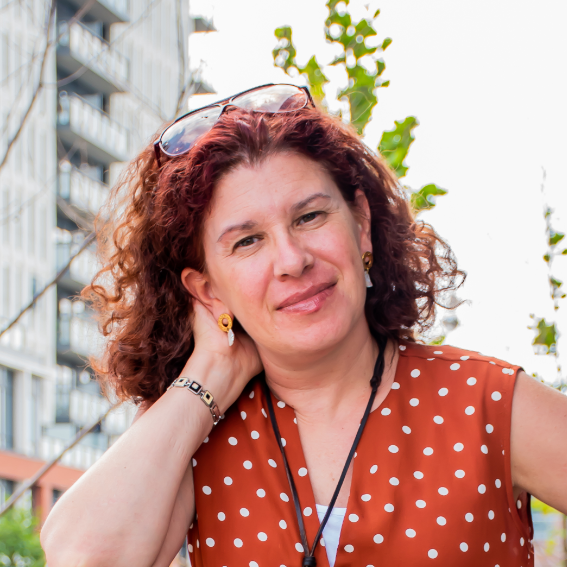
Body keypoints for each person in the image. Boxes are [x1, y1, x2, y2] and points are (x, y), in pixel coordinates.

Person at [40, 84, 567, 567]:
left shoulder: (486, 403)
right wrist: (208, 376)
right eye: (248, 241)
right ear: (207, 290)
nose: (292, 260)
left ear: (361, 224)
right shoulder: (197, 434)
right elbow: (85, 560)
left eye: (310, 217)